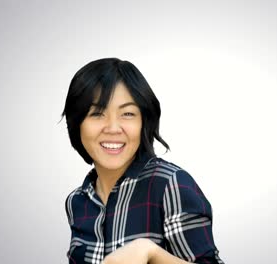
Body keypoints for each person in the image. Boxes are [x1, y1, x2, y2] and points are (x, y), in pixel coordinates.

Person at [62, 58, 224, 264]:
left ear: (144, 122)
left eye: (127, 113)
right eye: (97, 113)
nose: (113, 128)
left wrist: (151, 253)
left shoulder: (171, 185)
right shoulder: (77, 201)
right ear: (77, 124)